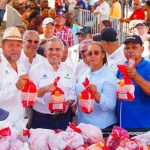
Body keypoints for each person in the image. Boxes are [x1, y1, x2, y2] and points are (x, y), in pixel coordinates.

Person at [29, 37, 76, 130]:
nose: (54, 53)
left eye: (58, 49)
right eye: (50, 49)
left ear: (62, 52)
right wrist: (44, 89)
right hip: (42, 118)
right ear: (46, 52)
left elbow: (72, 93)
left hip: (64, 118)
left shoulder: (69, 70)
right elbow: (31, 94)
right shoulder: (35, 69)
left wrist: (68, 103)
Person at [75, 41, 117, 129]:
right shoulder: (85, 73)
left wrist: (96, 94)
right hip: (83, 124)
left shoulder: (109, 76)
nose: (93, 56)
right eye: (90, 53)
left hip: (101, 127)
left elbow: (111, 105)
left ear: (103, 55)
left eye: (96, 53)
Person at [117, 35, 150, 129]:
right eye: (127, 48)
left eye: (134, 47)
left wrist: (136, 77)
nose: (130, 50)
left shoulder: (148, 67)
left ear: (142, 49)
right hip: (122, 127)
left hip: (143, 128)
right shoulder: (121, 68)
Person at [0, 27, 29, 128]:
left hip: (20, 122)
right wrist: (15, 87)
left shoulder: (20, 62)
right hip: (3, 126)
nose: (15, 48)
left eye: (18, 45)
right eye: (11, 45)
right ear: (2, 46)